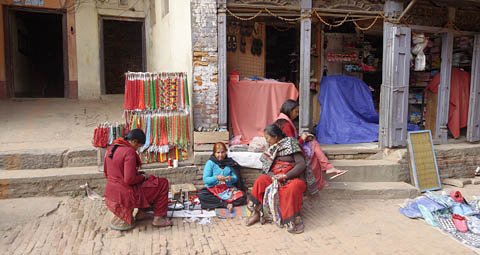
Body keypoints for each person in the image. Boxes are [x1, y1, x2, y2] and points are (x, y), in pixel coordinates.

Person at [246, 124, 311, 234]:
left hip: (292, 177)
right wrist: (273, 176)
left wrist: (286, 176)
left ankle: (293, 219)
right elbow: (267, 168)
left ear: (275, 137)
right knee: (261, 181)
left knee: (291, 189)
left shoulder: (291, 143)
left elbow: (301, 164)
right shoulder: (271, 149)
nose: (266, 140)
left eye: (267, 137)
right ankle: (257, 212)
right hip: (276, 176)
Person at [104, 129, 173, 231]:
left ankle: (142, 213)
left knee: (151, 180)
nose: (137, 149)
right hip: (126, 194)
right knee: (162, 183)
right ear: (134, 141)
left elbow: (107, 172)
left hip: (111, 190)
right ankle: (158, 218)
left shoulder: (111, 148)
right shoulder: (129, 152)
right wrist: (143, 177)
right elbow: (129, 180)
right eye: (139, 146)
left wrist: (139, 175)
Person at [274, 99, 347, 189]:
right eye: (296, 112)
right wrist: (302, 139)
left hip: (287, 149)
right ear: (289, 110)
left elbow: (290, 140)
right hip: (289, 152)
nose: (297, 115)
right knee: (314, 148)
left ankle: (326, 171)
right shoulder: (286, 124)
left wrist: (303, 138)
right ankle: (326, 171)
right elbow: (292, 145)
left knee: (314, 146)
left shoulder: (283, 120)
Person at [197, 142, 246, 212]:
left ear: (226, 152)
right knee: (202, 195)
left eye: (223, 152)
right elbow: (206, 180)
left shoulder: (230, 163)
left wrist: (231, 178)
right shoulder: (210, 163)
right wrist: (216, 178)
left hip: (227, 190)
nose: (220, 155)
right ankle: (226, 204)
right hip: (213, 189)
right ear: (214, 153)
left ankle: (220, 203)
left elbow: (236, 178)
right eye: (218, 152)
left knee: (243, 196)